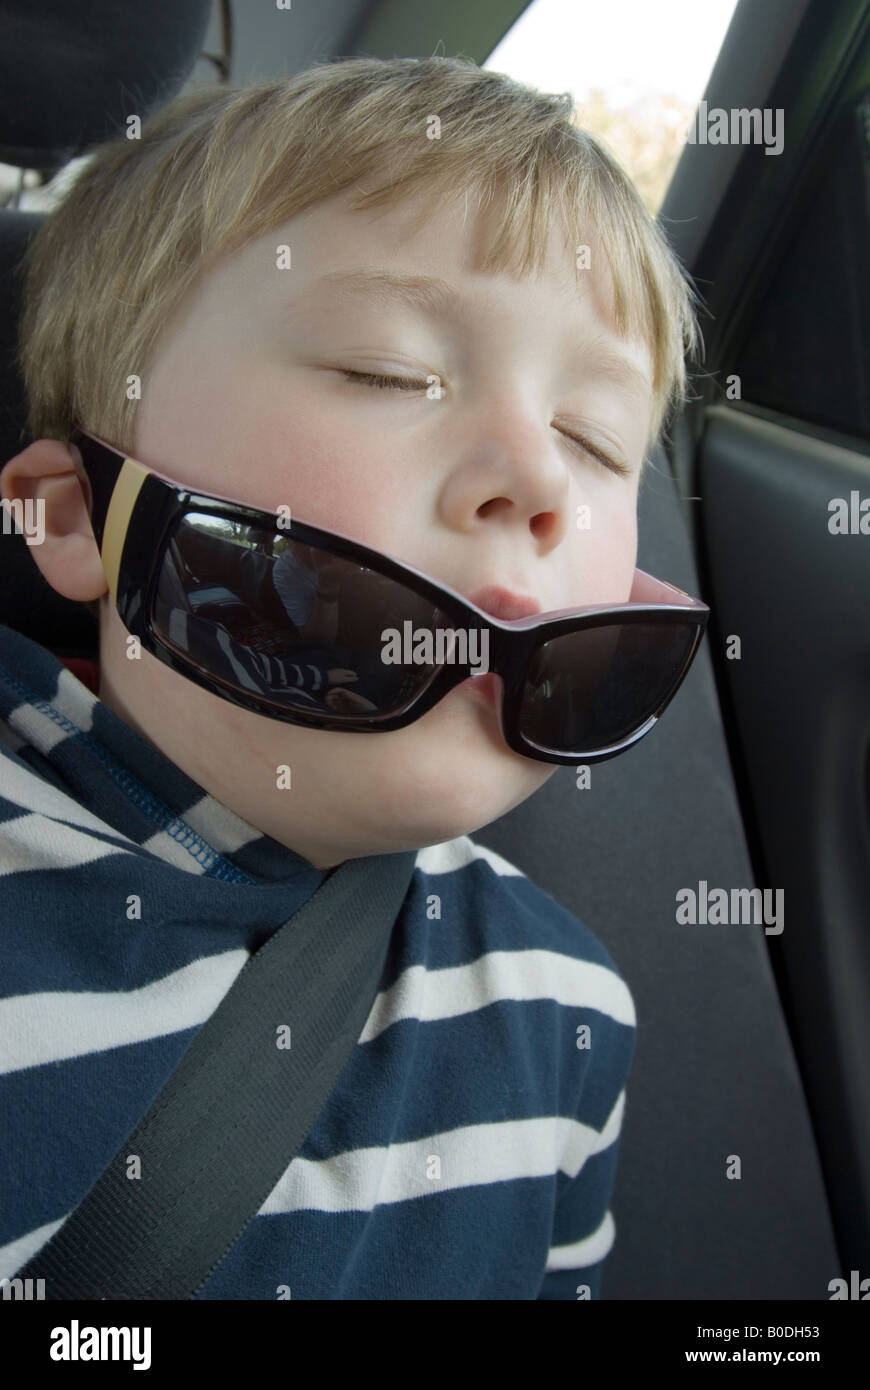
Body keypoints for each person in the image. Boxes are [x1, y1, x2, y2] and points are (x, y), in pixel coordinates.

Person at [0, 56, 701, 1299]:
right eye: (391, 371)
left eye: (599, 442)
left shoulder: (567, 1003)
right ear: (71, 515)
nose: (538, 479)